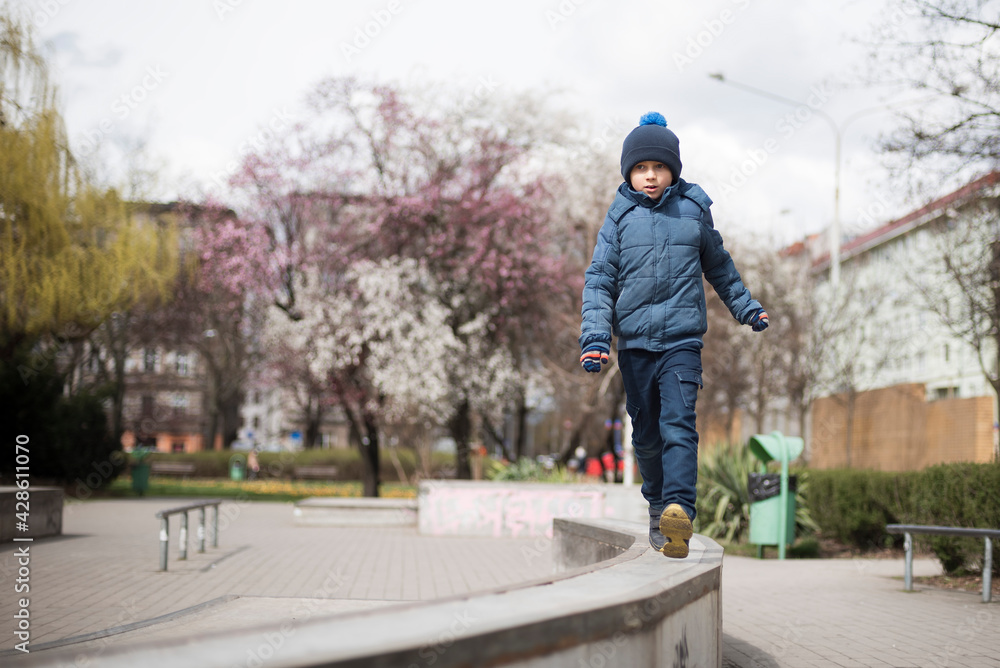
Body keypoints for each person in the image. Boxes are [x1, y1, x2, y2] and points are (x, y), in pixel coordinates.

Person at [579, 112, 769, 559]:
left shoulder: (693, 210)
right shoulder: (620, 218)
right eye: (642, 168)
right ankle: (658, 505)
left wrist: (747, 308)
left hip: (683, 342)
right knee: (645, 433)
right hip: (635, 345)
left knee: (679, 426)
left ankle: (680, 509)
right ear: (629, 172)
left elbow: (719, 266)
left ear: (673, 171)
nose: (651, 176)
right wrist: (594, 339)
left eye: (659, 167)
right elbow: (600, 279)